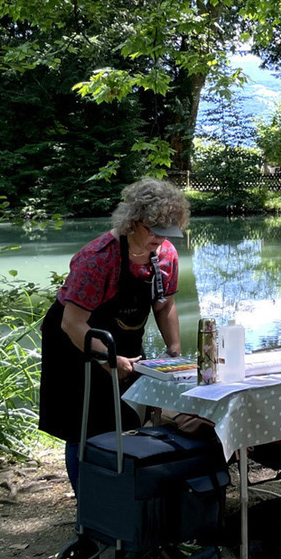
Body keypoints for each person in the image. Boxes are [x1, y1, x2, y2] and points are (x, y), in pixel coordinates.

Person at [38, 178, 190, 492]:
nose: (161, 239)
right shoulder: (98, 258)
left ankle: (120, 495)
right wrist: (110, 360)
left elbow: (164, 305)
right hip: (73, 340)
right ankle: (88, 502)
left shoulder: (165, 255)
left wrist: (174, 350)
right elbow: (72, 323)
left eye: (168, 232)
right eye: (155, 231)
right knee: (84, 425)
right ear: (133, 221)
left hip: (123, 339)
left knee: (128, 417)